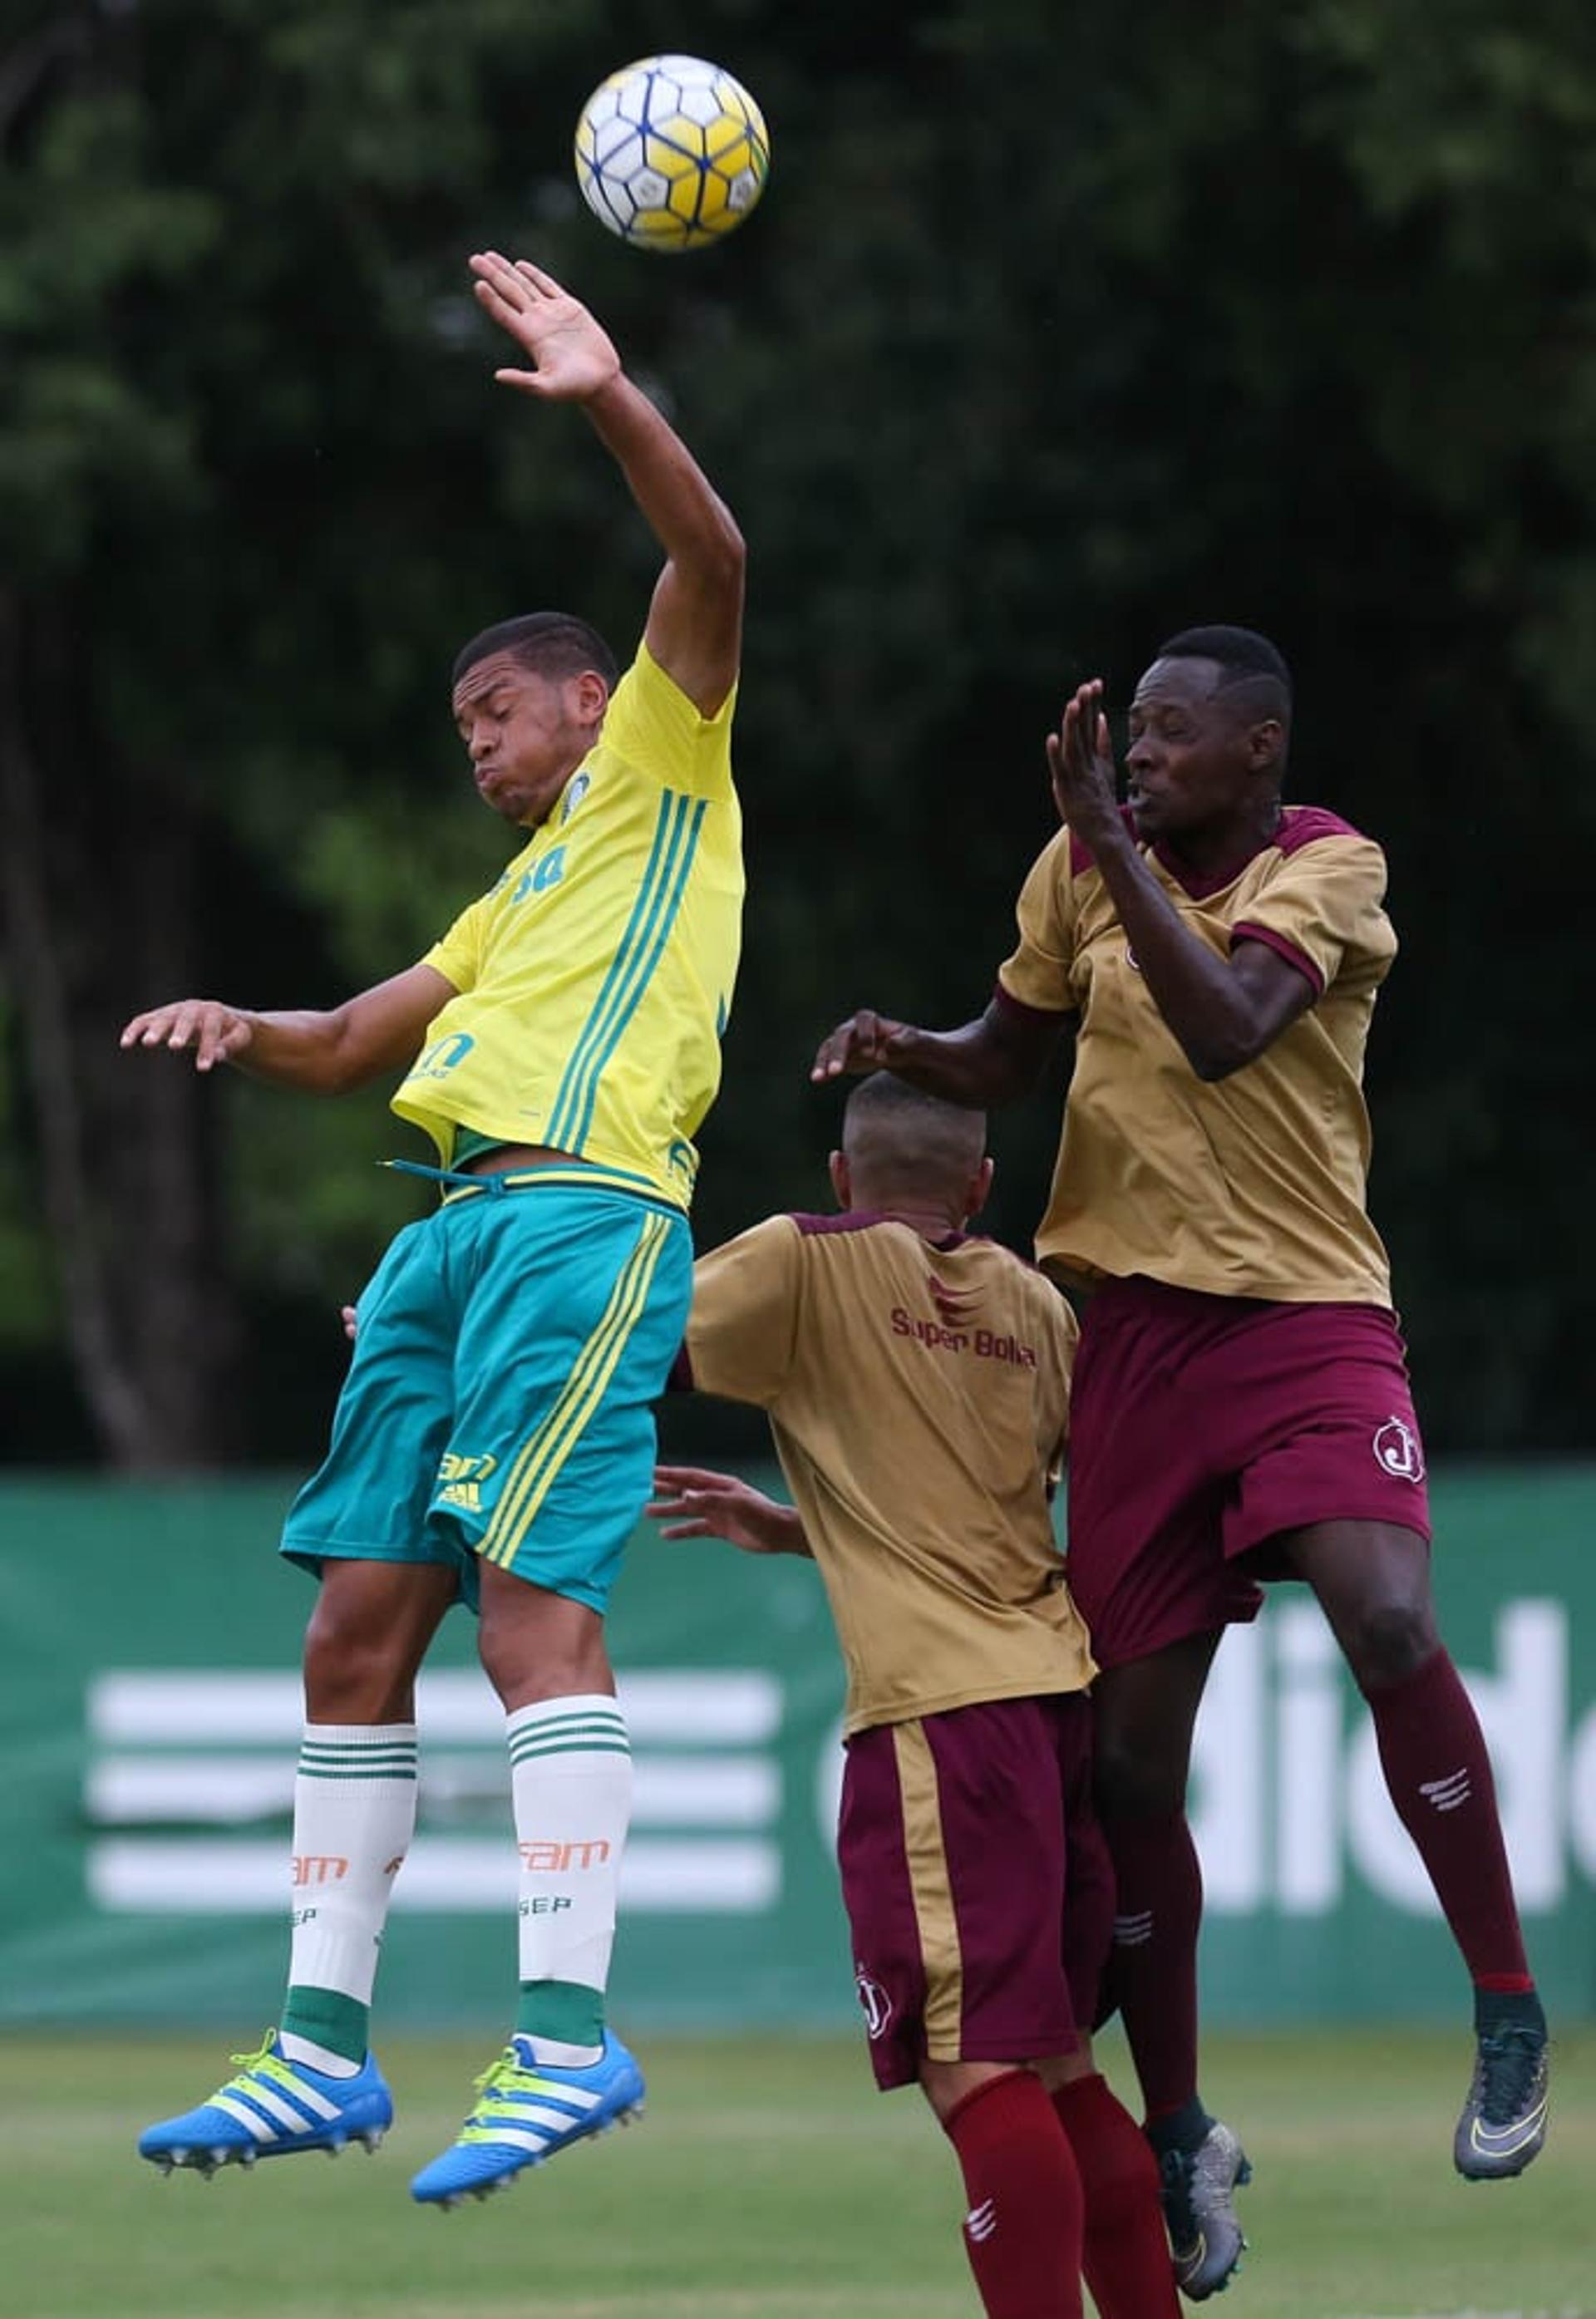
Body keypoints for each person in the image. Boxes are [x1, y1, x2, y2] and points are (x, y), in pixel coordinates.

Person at [812, 625, 1549, 2297]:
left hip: (1303, 1321)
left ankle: (1505, 2005)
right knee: (1129, 1770)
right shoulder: (1086, 866)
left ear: (1258, 746)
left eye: (1167, 731)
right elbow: (1016, 1047)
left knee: (1392, 1623)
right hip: (1130, 1341)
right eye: (1128, 734)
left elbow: (1226, 1027)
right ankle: (1186, 2127)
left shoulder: (1329, 865)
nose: (1136, 753)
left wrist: (1115, 850)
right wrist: (912, 1048)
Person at [120, 252, 747, 2209]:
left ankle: (566, 2034)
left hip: (583, 1220)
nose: (476, 744)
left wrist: (607, 394)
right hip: (449, 1241)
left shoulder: (661, 766)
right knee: (351, 1630)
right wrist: (253, 1025)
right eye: (463, 725)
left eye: (497, 711)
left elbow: (712, 559)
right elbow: (351, 1040)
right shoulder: (508, 906)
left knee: (530, 1622)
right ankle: (321, 2048)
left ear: (590, 696)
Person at [651, 1071, 1181, 2319]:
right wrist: (800, 1529)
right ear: (981, 1186)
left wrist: (429, 1330)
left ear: (844, 1176)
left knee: (973, 2074)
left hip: (942, 1725)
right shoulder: (1037, 1306)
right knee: (1058, 2067)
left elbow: (634, 1339)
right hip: (1055, 1707)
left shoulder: (806, 1257)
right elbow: (989, 1500)